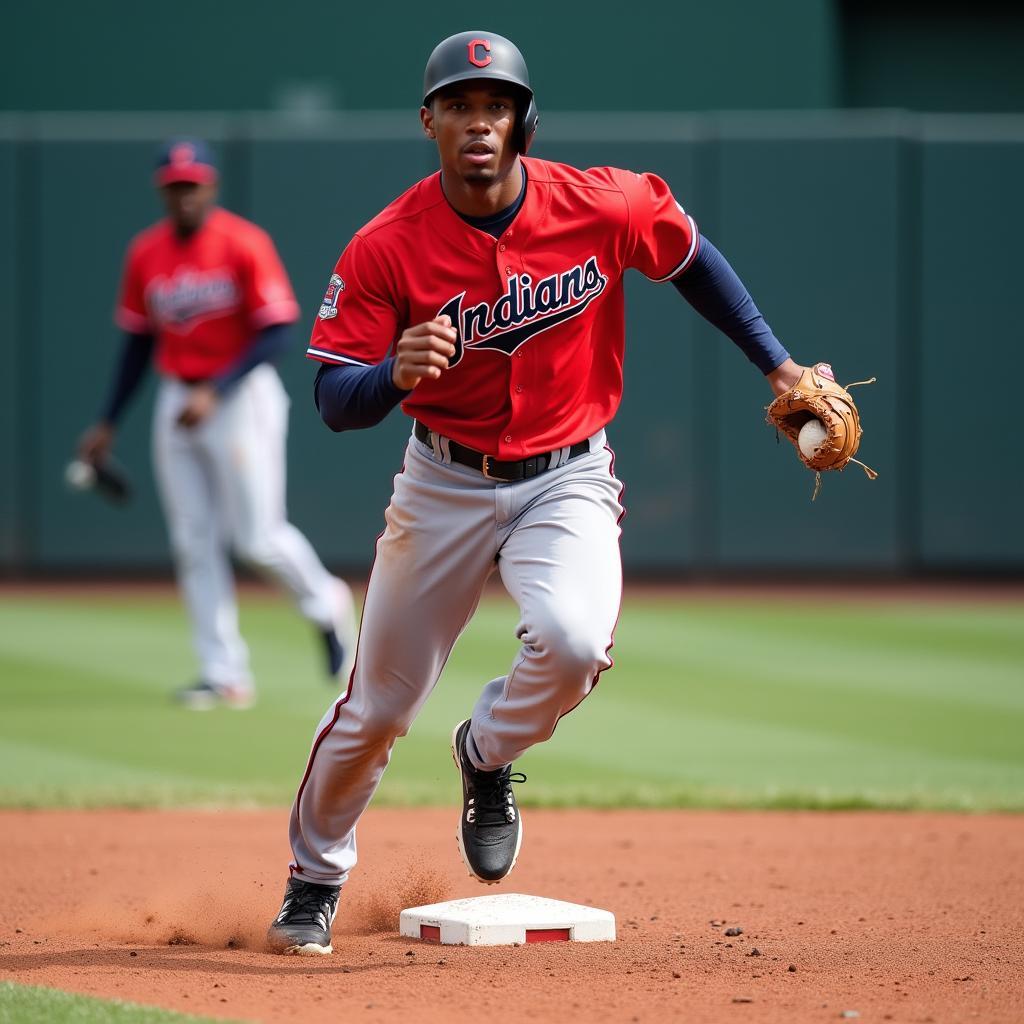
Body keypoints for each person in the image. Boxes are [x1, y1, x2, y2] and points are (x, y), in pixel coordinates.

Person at [266, 31, 810, 955]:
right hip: (441, 480)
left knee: (570, 642)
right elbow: (332, 402)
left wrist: (782, 367)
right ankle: (313, 880)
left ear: (522, 119)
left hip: (568, 475)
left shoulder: (601, 203)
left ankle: (486, 752)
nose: (480, 122)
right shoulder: (384, 247)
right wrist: (391, 378)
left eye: (497, 105)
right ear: (430, 121)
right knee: (379, 708)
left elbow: (693, 262)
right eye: (461, 107)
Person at [77, 139, 356, 710]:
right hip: (178, 395)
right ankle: (222, 671)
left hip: (239, 396)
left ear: (211, 187)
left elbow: (277, 331)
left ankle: (326, 603)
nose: (184, 194)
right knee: (193, 540)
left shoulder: (242, 243)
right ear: (162, 191)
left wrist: (216, 389)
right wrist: (108, 421)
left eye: (193, 183)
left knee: (256, 537)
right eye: (175, 185)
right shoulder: (146, 253)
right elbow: (136, 344)